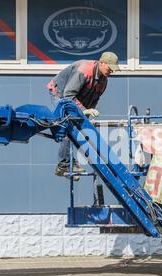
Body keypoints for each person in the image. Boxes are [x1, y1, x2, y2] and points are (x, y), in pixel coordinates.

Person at [47, 51, 120, 180]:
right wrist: (83, 110)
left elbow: (94, 100)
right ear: (101, 63)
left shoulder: (103, 80)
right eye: (110, 68)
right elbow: (68, 95)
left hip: (75, 98)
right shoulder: (84, 71)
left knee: (77, 127)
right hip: (60, 93)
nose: (111, 72)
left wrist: (87, 115)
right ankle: (63, 164)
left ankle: (69, 161)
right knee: (66, 125)